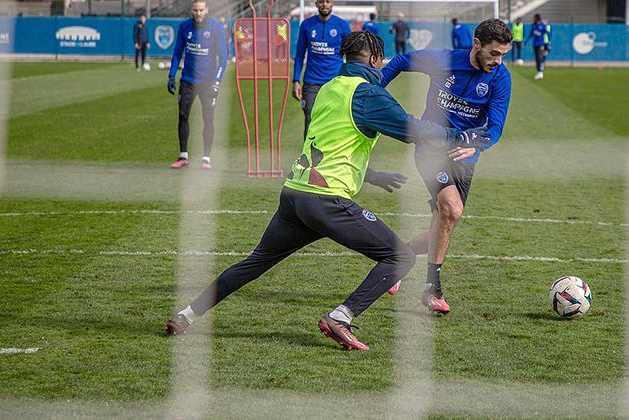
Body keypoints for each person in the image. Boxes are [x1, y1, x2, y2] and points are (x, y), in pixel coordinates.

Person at [165, 31, 491, 351]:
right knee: (400, 256)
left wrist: (371, 175)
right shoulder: (367, 94)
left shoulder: (327, 88)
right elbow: (412, 129)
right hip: (325, 201)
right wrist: (459, 137)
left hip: (294, 194)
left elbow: (329, 144)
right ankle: (341, 317)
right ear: (376, 60)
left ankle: (186, 315)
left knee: (255, 263)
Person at [379, 18, 512, 314]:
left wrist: (475, 142)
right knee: (451, 208)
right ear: (476, 44)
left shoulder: (501, 78)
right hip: (429, 148)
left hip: (465, 159)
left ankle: (398, 256)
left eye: (503, 54)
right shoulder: (444, 60)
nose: (498, 61)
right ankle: (432, 289)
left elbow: (496, 127)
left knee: (445, 223)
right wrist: (375, 86)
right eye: (493, 53)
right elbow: (401, 60)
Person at [167, 0, 229, 170]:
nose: (199, 13)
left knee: (208, 119)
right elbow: (177, 53)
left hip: (208, 82)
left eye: (201, 10)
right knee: (182, 115)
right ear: (191, 10)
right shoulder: (184, 27)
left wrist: (216, 82)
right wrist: (172, 75)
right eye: (195, 10)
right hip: (188, 80)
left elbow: (223, 59)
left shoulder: (216, 28)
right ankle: (183, 156)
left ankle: (206, 158)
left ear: (207, 10)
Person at [293, 0, 352, 139]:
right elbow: (300, 54)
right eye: (321, 2)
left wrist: (350, 80)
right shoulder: (307, 25)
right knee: (310, 117)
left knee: (335, 120)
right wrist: (295, 80)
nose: (324, 5)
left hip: (335, 82)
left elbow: (350, 55)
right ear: (316, 4)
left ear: (332, 3)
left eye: (327, 1)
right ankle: (307, 157)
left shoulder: (343, 26)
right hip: (311, 82)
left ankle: (331, 156)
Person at [525, 13, 550, 80]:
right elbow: (531, 34)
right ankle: (538, 72)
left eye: (534, 17)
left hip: (541, 44)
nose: (533, 18)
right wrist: (526, 41)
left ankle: (540, 72)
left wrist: (548, 43)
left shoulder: (542, 25)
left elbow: (547, 34)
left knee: (540, 58)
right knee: (537, 59)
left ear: (537, 18)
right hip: (535, 44)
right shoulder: (533, 25)